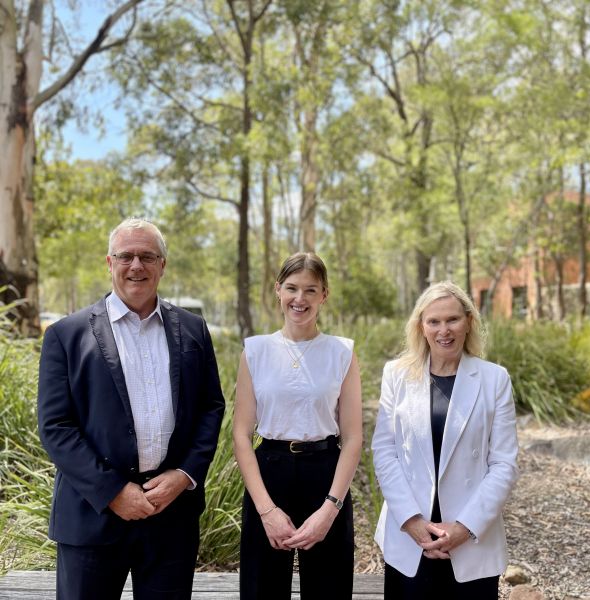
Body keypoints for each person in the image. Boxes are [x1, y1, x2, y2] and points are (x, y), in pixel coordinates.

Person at [38, 217, 225, 600]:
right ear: (110, 263)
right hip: (93, 515)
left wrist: (185, 474)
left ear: (162, 265)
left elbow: (211, 408)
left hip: (170, 517)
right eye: (126, 256)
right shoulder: (66, 335)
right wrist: (112, 491)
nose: (136, 266)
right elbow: (56, 426)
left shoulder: (193, 329)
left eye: (147, 256)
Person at [371, 281, 518, 599]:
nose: (444, 330)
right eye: (433, 321)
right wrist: (412, 521)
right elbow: (384, 451)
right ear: (421, 327)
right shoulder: (397, 375)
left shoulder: (494, 379)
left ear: (469, 321)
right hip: (409, 540)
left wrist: (464, 528)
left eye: (452, 319)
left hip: (472, 540)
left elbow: (504, 463)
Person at [233, 252, 362, 600]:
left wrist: (329, 508)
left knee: (328, 589)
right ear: (278, 290)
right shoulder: (256, 351)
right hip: (269, 475)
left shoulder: (341, 352)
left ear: (324, 294)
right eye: (291, 288)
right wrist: (266, 510)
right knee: (263, 590)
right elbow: (242, 435)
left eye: (310, 290)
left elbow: (352, 438)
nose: (299, 299)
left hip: (325, 476)